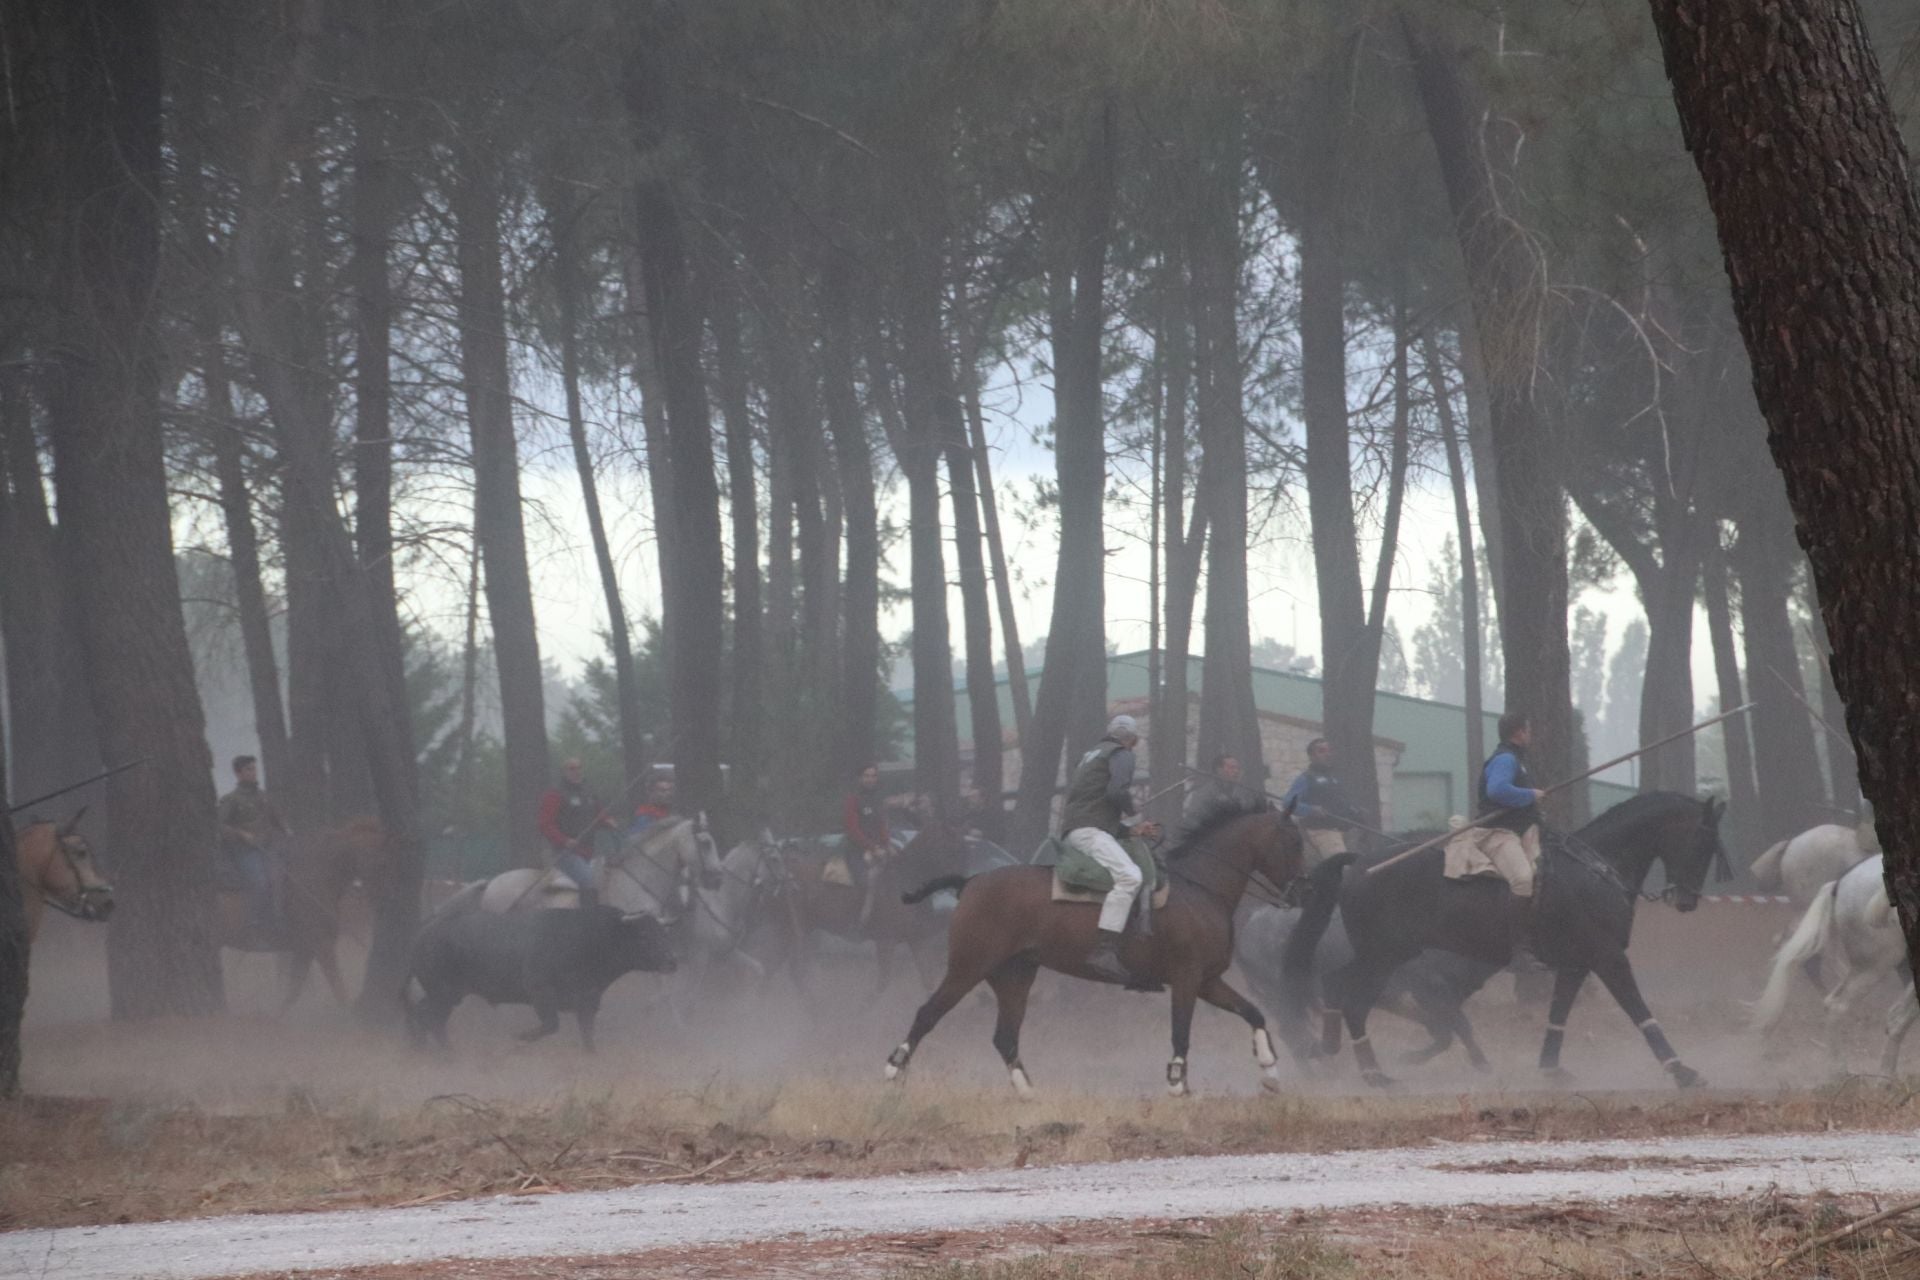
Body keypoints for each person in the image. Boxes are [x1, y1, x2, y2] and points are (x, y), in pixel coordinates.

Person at [1060, 715, 1162, 986]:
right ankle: (1104, 950)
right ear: (1133, 740)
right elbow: (1116, 792)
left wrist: (1132, 830)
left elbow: (1095, 807)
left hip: (1078, 829)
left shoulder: (1091, 755)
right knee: (1131, 876)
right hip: (1089, 832)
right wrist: (1134, 812)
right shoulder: (1122, 754)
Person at [1478, 712, 1550, 968]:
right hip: (1498, 833)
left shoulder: (1517, 760)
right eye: (1528, 730)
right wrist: (1530, 795)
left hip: (1519, 832)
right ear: (1519, 732)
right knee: (1522, 878)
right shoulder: (1506, 759)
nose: (1530, 734)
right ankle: (1517, 951)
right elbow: (1496, 790)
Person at [216, 754, 290, 940]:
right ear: (238, 773)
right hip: (244, 850)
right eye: (249, 769)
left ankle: (280, 923)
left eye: (254, 769)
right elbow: (219, 825)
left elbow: (277, 819)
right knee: (260, 882)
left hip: (267, 847)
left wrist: (287, 829)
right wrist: (241, 834)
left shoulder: (264, 797)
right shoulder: (231, 799)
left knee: (281, 878)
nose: (254, 772)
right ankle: (254, 926)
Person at [538, 758, 612, 907]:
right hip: (565, 853)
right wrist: (565, 840)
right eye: (571, 769)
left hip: (589, 851)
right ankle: (588, 917)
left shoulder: (589, 791)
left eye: (578, 768)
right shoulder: (555, 794)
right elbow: (545, 824)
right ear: (564, 772)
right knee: (588, 880)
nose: (576, 771)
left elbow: (599, 815)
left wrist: (608, 821)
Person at [1282, 739, 1358, 865]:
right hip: (1323, 831)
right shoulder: (1306, 778)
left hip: (1345, 831)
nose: (1328, 754)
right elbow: (1287, 803)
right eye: (1321, 751)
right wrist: (1310, 810)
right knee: (1343, 867)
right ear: (1311, 756)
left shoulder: (1334, 778)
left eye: (1329, 751)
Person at [843, 763, 892, 924]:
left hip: (879, 850)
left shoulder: (878, 800)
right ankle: (857, 922)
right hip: (856, 851)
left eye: (873, 776)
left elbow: (882, 825)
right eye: (867, 776)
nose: (870, 779)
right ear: (860, 778)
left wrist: (887, 844)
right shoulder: (853, 799)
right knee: (864, 882)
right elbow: (852, 829)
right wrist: (872, 848)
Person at [1184, 754, 1244, 820]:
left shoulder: (1243, 793)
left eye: (1238, 768)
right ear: (1219, 770)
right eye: (1231, 767)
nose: (1236, 771)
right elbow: (1193, 818)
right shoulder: (1204, 794)